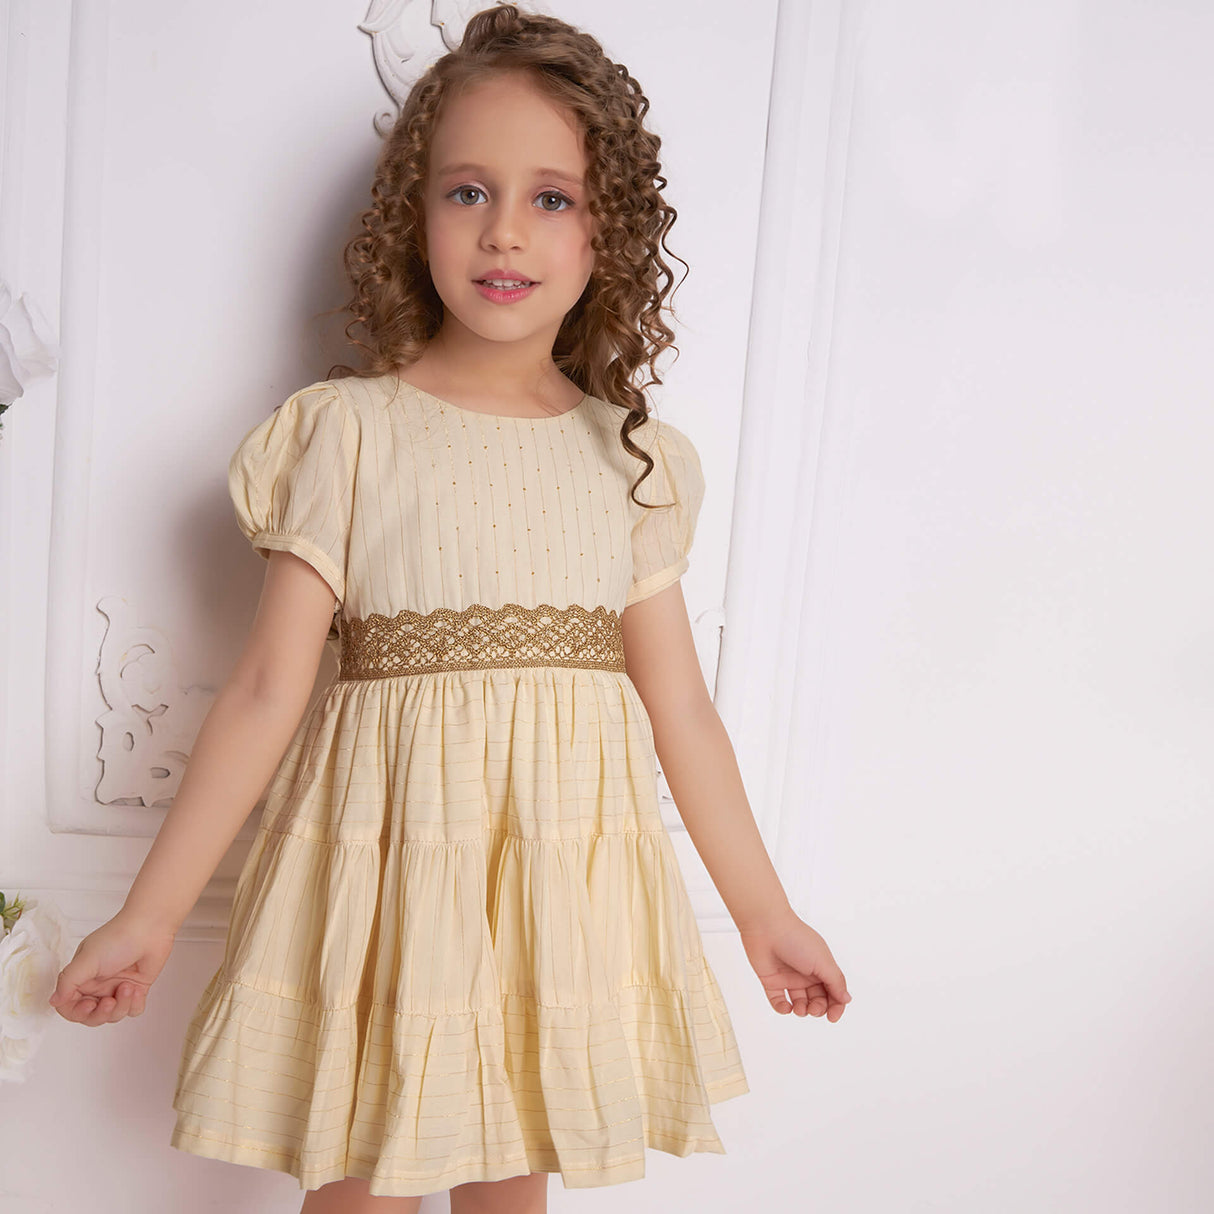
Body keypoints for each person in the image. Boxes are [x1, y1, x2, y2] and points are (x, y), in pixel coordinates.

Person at [47, 4, 851, 1210]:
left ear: (607, 233)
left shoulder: (629, 461)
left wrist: (763, 912)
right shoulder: (346, 434)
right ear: (411, 215)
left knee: (508, 1176)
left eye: (551, 198)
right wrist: (149, 916)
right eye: (467, 191)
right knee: (361, 1180)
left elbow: (682, 710)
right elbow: (265, 689)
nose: (503, 229)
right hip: (388, 892)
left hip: (549, 899)